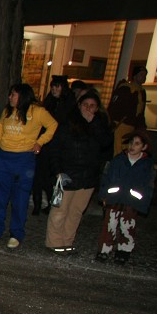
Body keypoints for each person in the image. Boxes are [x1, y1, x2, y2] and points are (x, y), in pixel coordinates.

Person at [0, 83, 58, 249]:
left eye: (13, 94)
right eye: (10, 94)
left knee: (20, 199)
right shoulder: (8, 111)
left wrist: (40, 142)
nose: (10, 97)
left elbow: (53, 125)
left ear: (23, 96)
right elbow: (0, 124)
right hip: (4, 158)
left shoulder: (37, 111)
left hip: (23, 159)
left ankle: (16, 233)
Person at [44, 92, 111, 253]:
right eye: (85, 104)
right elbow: (55, 149)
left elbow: (106, 143)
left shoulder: (99, 125)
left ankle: (67, 241)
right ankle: (54, 242)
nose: (88, 108)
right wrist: (58, 171)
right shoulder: (67, 124)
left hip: (88, 176)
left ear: (97, 108)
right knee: (60, 210)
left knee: (76, 211)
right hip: (67, 174)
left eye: (92, 105)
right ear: (79, 105)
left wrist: (94, 123)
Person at [96, 131, 155, 265]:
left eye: (137, 144)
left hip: (132, 201)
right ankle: (104, 250)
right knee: (110, 225)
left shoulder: (146, 165)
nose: (132, 146)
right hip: (114, 198)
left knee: (127, 226)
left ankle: (124, 251)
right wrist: (104, 195)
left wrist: (143, 203)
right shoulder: (118, 160)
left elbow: (148, 186)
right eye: (131, 143)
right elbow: (106, 177)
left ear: (144, 147)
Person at [33, 75, 75, 215]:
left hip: (59, 146)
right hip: (45, 144)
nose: (54, 89)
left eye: (58, 86)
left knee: (52, 177)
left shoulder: (69, 105)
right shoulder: (49, 103)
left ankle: (53, 204)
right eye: (53, 86)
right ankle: (37, 205)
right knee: (39, 176)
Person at [107, 66, 148, 155]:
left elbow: (141, 112)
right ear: (135, 76)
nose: (143, 77)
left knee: (128, 150)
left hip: (132, 126)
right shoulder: (125, 89)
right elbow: (113, 107)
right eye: (141, 74)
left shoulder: (141, 92)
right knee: (118, 150)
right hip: (121, 124)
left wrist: (141, 126)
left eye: (145, 75)